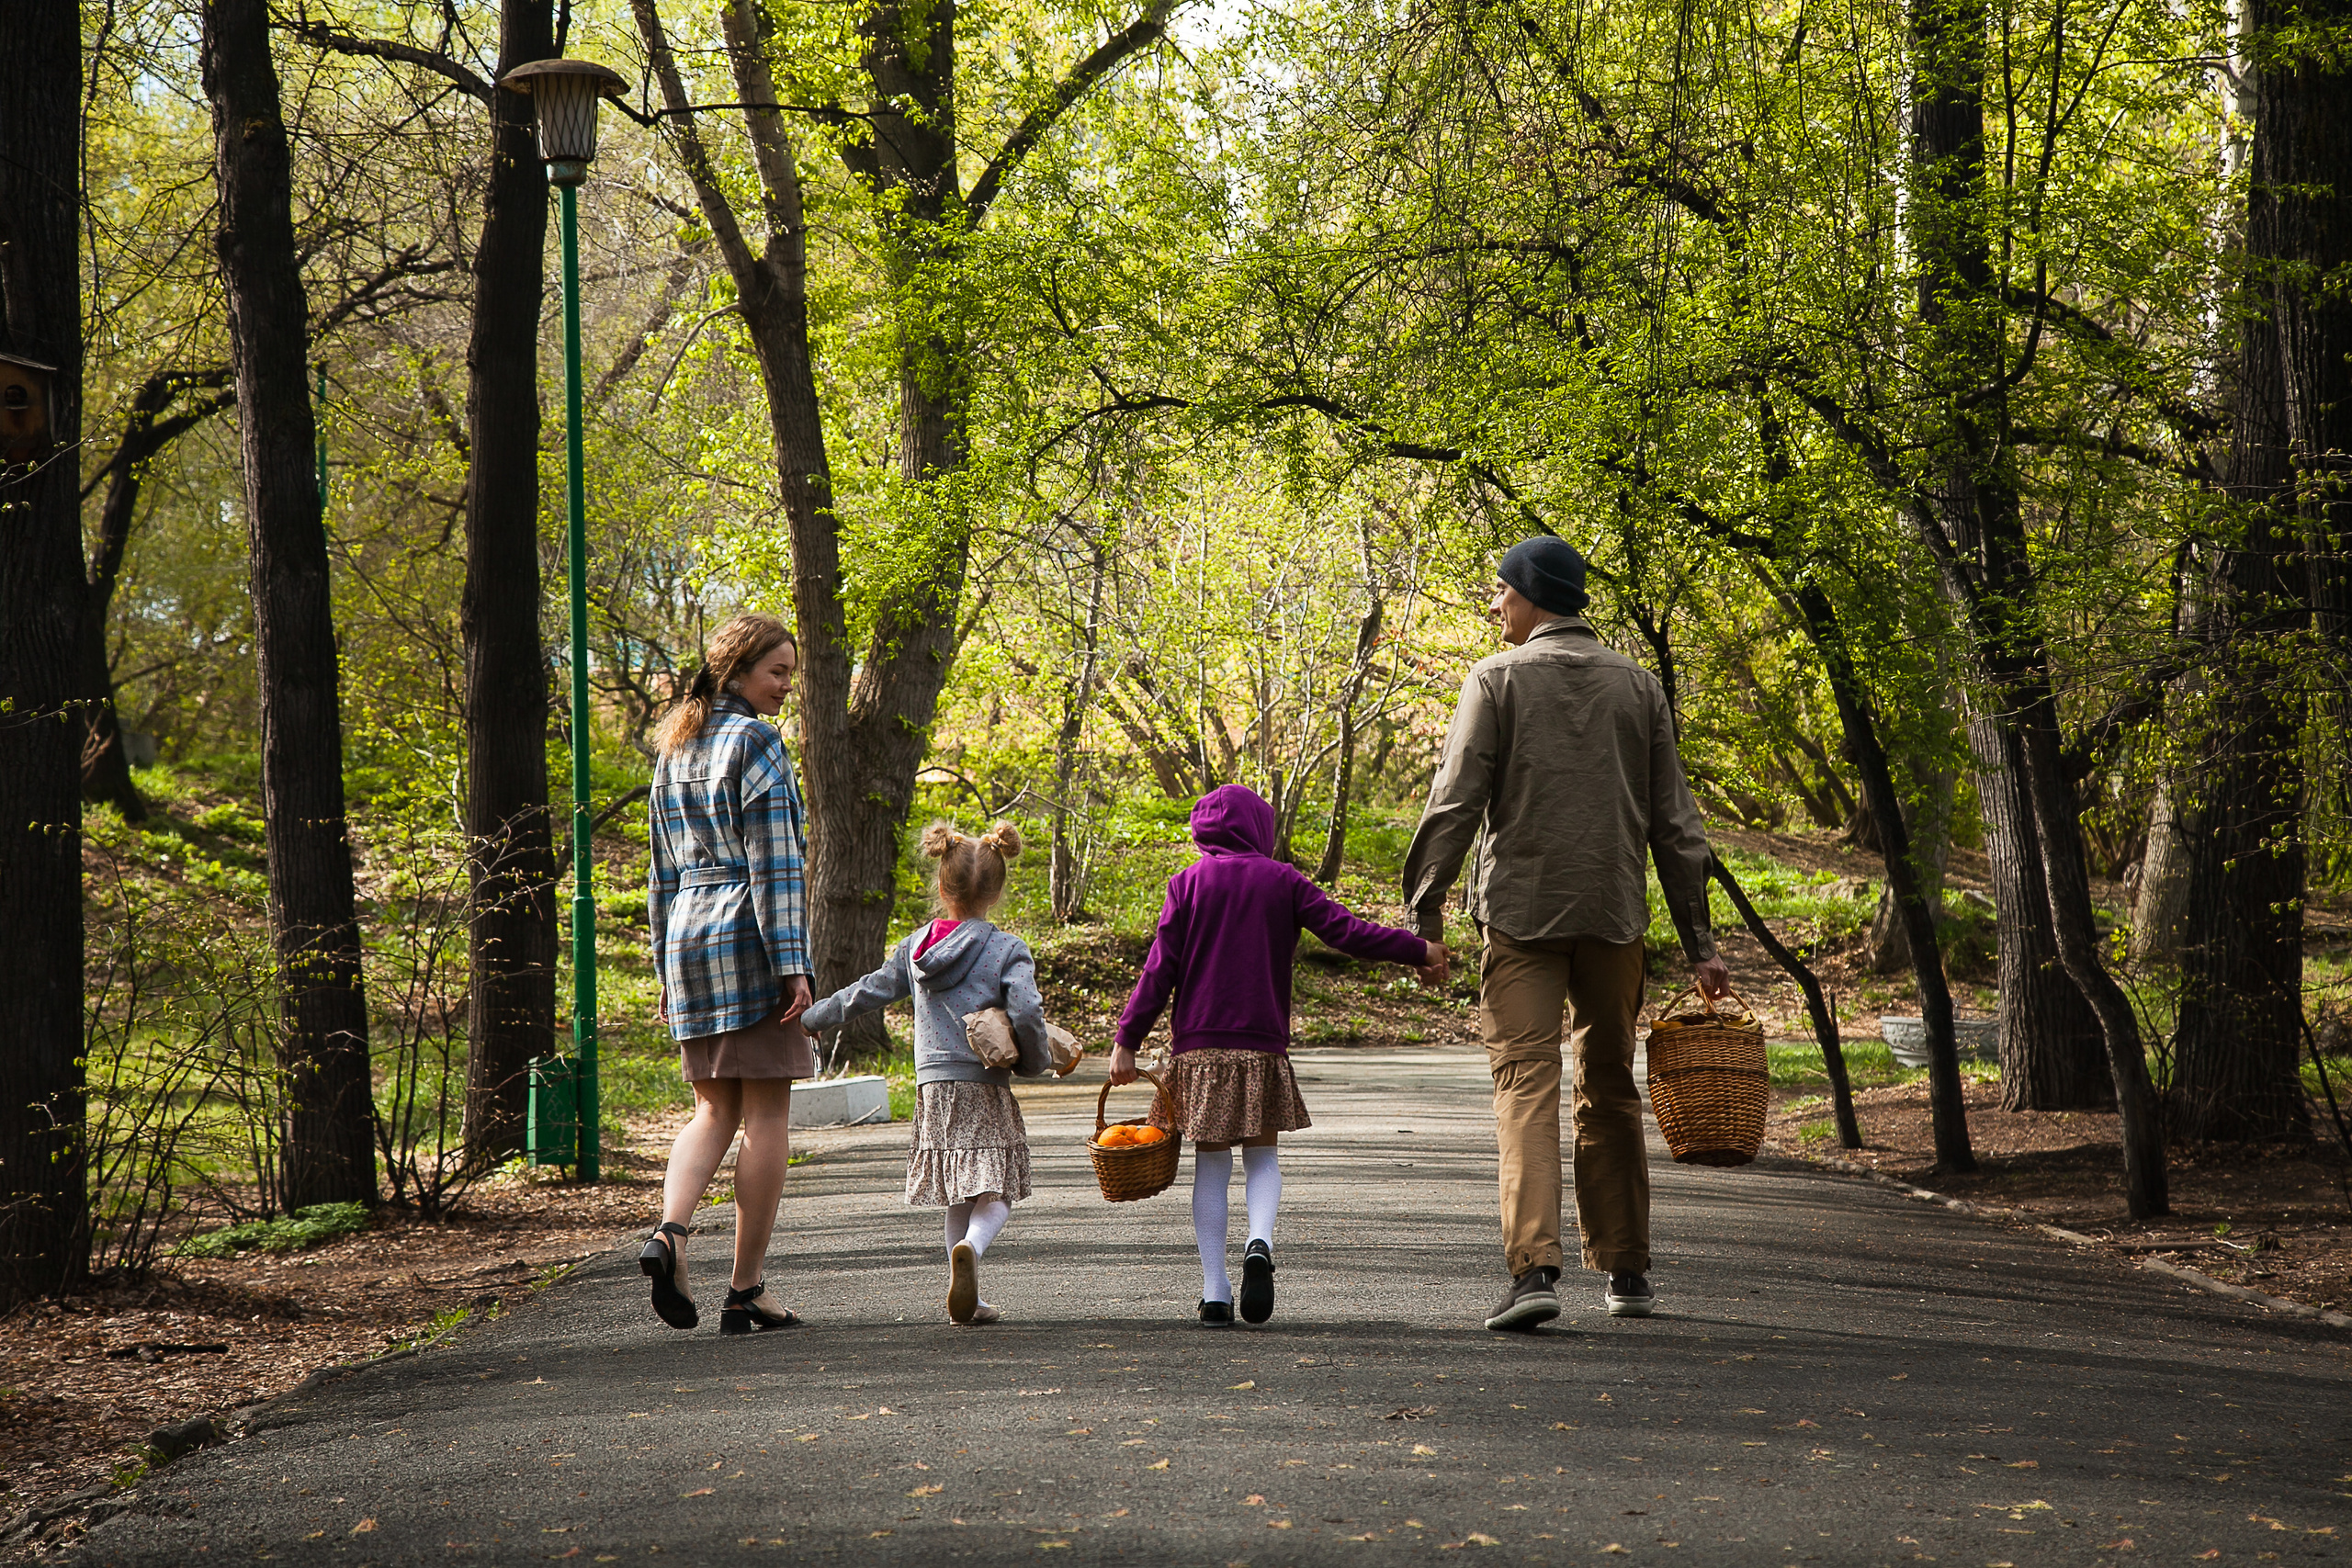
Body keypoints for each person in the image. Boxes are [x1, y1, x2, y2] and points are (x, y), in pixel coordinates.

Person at [1401, 536, 1730, 1333]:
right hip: (1615, 915)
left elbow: (1454, 803)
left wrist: (1426, 912)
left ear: (1533, 595)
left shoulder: (1495, 679)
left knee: (1526, 1085)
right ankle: (1628, 1268)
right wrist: (1700, 943)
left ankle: (1534, 1270)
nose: (1493, 606)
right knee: (1610, 1088)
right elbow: (1676, 824)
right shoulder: (1638, 686)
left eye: (1501, 592)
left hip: (1521, 916)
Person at [1112, 784, 1444, 1326]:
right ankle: (1259, 1243)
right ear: (1260, 830)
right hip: (1260, 1044)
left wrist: (1128, 1038)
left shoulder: (1187, 884)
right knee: (1262, 1155)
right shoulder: (1283, 880)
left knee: (1213, 1165)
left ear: (1205, 833)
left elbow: (1160, 969)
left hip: (1201, 1045)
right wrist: (1417, 949)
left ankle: (1215, 1291)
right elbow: (1346, 932)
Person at [801, 822, 1048, 1325]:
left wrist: (814, 1017)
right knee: (996, 1192)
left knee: (957, 1189)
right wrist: (1035, 1060)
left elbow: (866, 991)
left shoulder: (915, 950)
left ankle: (967, 1297)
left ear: (942, 887)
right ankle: (973, 1254)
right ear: (997, 892)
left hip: (933, 1086)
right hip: (982, 1084)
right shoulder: (1006, 949)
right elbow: (1025, 1011)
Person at [641, 612, 814, 1337]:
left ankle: (671, 1233)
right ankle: (745, 1287)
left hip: (688, 940)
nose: (784, 689)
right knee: (767, 1114)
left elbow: (659, 873)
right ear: (738, 671)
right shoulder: (757, 742)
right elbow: (775, 864)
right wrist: (793, 965)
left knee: (713, 1111)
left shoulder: (673, 748)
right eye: (777, 673)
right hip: (748, 937)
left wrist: (662, 966)